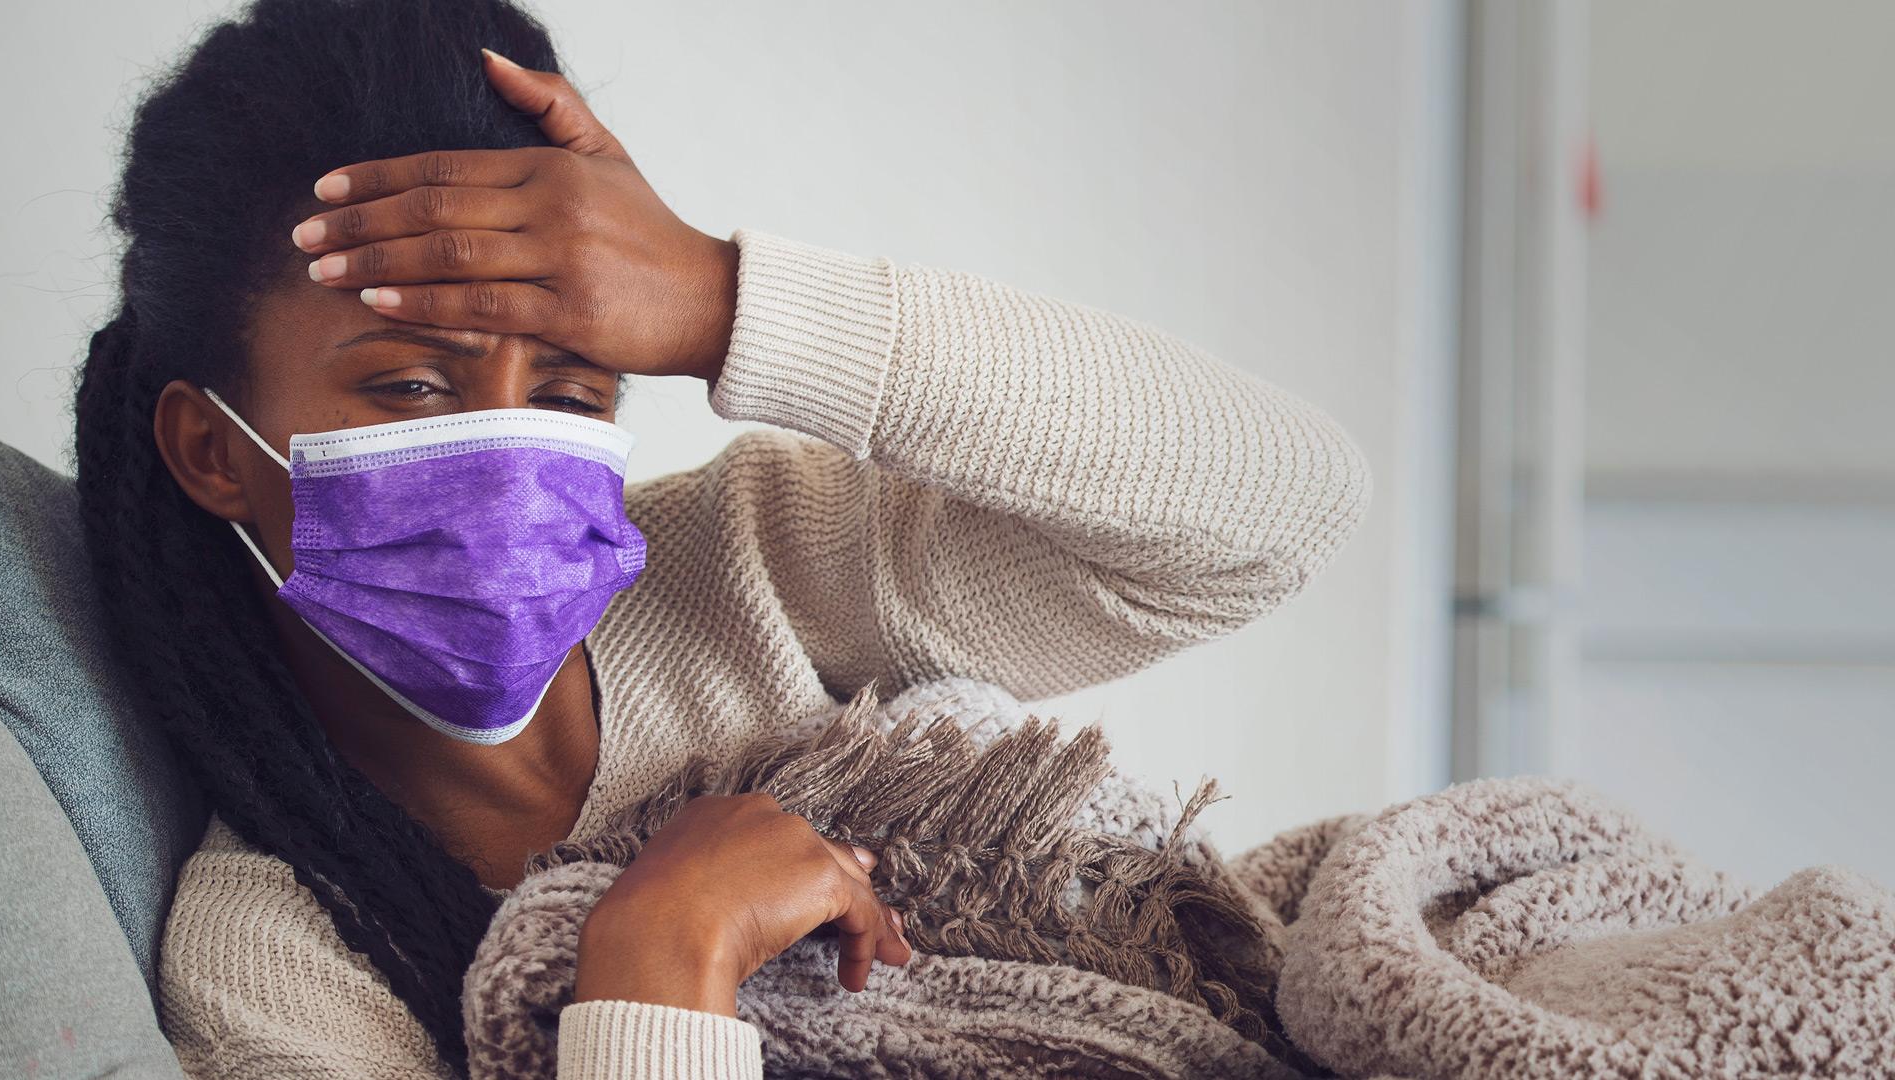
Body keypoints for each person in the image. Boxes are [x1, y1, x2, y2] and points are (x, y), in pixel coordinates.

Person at [74, 0, 1369, 1075]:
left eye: (574, 391)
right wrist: (661, 960)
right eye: (413, 385)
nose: (513, 453)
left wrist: (722, 295)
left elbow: (1277, 508)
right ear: (210, 451)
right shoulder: (273, 968)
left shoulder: (753, 567)